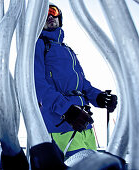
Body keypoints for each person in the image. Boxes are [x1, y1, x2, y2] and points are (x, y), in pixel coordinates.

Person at [34, 3, 118, 158]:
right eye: (43, 15)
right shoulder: (38, 45)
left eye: (53, 12)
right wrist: (67, 110)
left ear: (60, 18)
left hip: (84, 124)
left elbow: (83, 84)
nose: (50, 16)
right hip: (60, 126)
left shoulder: (68, 50)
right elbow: (37, 86)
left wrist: (99, 97)